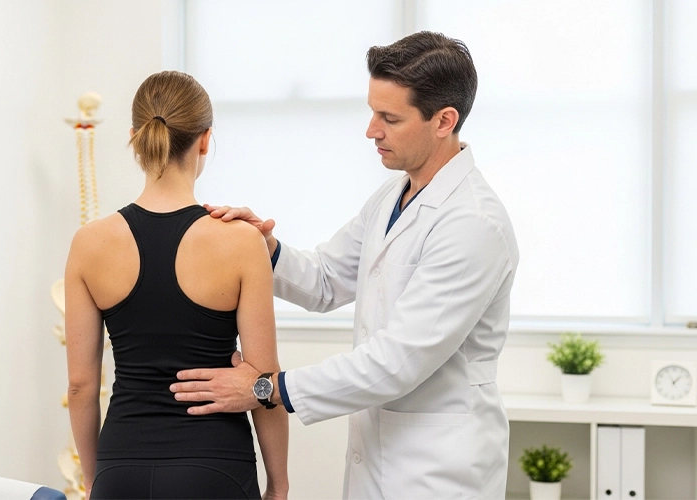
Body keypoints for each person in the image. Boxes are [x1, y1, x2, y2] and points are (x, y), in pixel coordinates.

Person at [171, 31, 520, 498]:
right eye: (372, 112)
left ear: (444, 121)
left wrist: (265, 389)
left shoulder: (473, 224)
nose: (371, 130)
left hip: (440, 473)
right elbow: (325, 280)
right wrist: (264, 249)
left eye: (389, 118)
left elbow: (397, 362)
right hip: (379, 461)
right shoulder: (394, 195)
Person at [64, 71, 289, 500]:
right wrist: (279, 484)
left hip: (120, 466)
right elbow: (263, 382)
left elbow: (81, 386)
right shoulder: (241, 241)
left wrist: (95, 479)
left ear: (134, 138)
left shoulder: (89, 243)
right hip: (214, 468)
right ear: (204, 141)